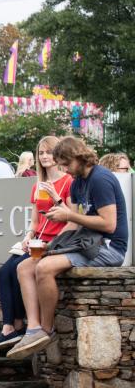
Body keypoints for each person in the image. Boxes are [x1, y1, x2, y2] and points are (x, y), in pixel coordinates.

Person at [8, 136, 128, 360]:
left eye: (65, 164)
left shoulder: (100, 178)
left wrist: (68, 215)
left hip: (108, 247)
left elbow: (109, 224)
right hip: (88, 242)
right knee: (25, 267)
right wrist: (59, 208)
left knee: (44, 268)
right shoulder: (79, 180)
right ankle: (33, 329)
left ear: (78, 157)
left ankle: (46, 330)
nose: (64, 169)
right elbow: (77, 218)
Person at [0, 136, 72, 351]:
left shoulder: (67, 182)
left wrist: (52, 242)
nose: (45, 156)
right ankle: (11, 325)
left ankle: (14, 327)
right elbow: (35, 221)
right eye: (41, 153)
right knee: (4, 271)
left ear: (58, 154)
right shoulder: (38, 184)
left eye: (48, 152)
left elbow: (72, 217)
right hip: (37, 240)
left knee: (19, 269)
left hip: (55, 242)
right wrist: (27, 236)